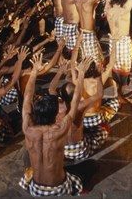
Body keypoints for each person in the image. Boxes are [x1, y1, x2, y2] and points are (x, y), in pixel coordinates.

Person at [19, 46, 90, 196]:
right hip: (59, 186)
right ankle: (76, 188)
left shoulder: (27, 128)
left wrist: (34, 71)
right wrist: (81, 73)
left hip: (35, 188)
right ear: (55, 113)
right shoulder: (60, 128)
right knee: (91, 166)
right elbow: (76, 100)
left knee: (28, 153)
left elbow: (27, 98)